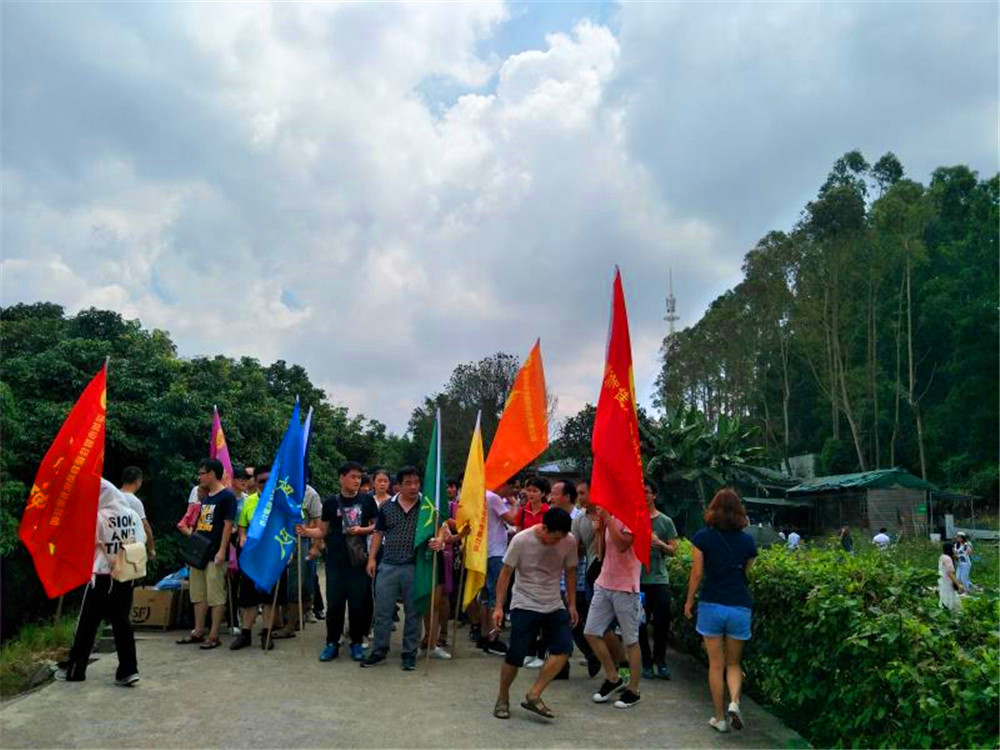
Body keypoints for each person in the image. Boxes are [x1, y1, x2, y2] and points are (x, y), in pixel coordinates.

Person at [56, 480, 146, 685]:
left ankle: (76, 670)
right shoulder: (132, 515)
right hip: (125, 577)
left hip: (102, 577)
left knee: (87, 625)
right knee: (123, 624)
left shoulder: (99, 517)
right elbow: (138, 542)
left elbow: (87, 544)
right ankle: (128, 670)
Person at [492, 508, 578, 720]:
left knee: (564, 649)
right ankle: (502, 698)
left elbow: (570, 572)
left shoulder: (569, 541)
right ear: (544, 528)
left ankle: (535, 693)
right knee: (516, 655)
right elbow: (505, 574)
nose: (557, 542)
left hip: (553, 603)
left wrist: (572, 604)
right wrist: (499, 606)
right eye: (554, 537)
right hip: (524, 603)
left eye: (561, 538)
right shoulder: (522, 540)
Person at [684, 488, 758, 733]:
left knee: (716, 665)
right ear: (739, 512)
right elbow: (746, 572)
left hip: (711, 604)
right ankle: (735, 703)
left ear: (713, 509)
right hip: (739, 605)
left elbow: (697, 573)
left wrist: (689, 601)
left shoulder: (702, 538)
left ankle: (719, 718)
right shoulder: (748, 541)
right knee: (734, 664)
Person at [363, 467, 446, 670]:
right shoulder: (386, 507)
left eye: (416, 482)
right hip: (389, 564)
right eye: (408, 483)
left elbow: (443, 529)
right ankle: (379, 650)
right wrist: (372, 559)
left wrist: (440, 541)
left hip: (415, 566)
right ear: (397, 485)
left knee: (414, 611)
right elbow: (378, 533)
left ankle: (409, 652)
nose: (413, 486)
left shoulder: (427, 507)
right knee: (383, 610)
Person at [298, 462, 377, 661]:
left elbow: (377, 528)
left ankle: (357, 643)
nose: (357, 481)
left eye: (359, 477)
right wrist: (306, 531)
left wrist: (361, 531)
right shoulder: (331, 503)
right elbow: (323, 531)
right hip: (335, 561)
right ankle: (331, 643)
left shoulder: (367, 501)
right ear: (341, 478)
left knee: (358, 605)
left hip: (358, 561)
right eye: (353, 476)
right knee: (334, 605)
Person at [584, 506, 644, 710]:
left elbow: (622, 545)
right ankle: (612, 677)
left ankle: (634, 690)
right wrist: (600, 531)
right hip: (604, 583)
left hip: (626, 586)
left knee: (631, 640)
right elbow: (601, 554)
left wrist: (608, 520)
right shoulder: (610, 516)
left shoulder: (633, 515)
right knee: (591, 631)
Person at [176, 458, 236, 649]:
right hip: (199, 553)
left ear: (211, 474)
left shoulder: (227, 497)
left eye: (202, 473)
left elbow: (228, 526)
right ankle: (198, 630)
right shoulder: (207, 497)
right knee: (198, 594)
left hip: (215, 552)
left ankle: (214, 634)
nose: (199, 477)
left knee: (215, 594)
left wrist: (222, 551)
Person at [472, 484, 518, 655]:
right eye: (511, 488)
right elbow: (512, 520)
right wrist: (513, 504)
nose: (511, 492)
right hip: (496, 553)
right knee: (497, 597)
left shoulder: (479, 494)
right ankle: (493, 638)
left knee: (485, 597)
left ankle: (484, 635)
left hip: (482, 552)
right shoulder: (494, 498)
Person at [639, 480, 677, 681]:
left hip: (659, 578)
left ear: (654, 495)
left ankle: (660, 660)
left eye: (647, 492)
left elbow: (673, 550)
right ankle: (645, 662)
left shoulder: (665, 521)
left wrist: (659, 543)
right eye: (641, 492)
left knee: (662, 622)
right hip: (638, 579)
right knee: (640, 623)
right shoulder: (634, 519)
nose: (643, 495)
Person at [119, 466, 155, 560]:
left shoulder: (113, 496)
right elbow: (145, 526)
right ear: (138, 481)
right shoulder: (135, 501)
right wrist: (151, 548)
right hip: (131, 548)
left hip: (113, 544)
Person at [938, 542, 964, 611]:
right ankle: (949, 611)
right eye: (953, 548)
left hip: (943, 580)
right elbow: (950, 573)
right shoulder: (948, 559)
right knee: (950, 597)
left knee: (944, 596)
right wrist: (958, 585)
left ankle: (944, 610)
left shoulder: (942, 556)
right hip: (948, 581)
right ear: (950, 549)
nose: (955, 550)